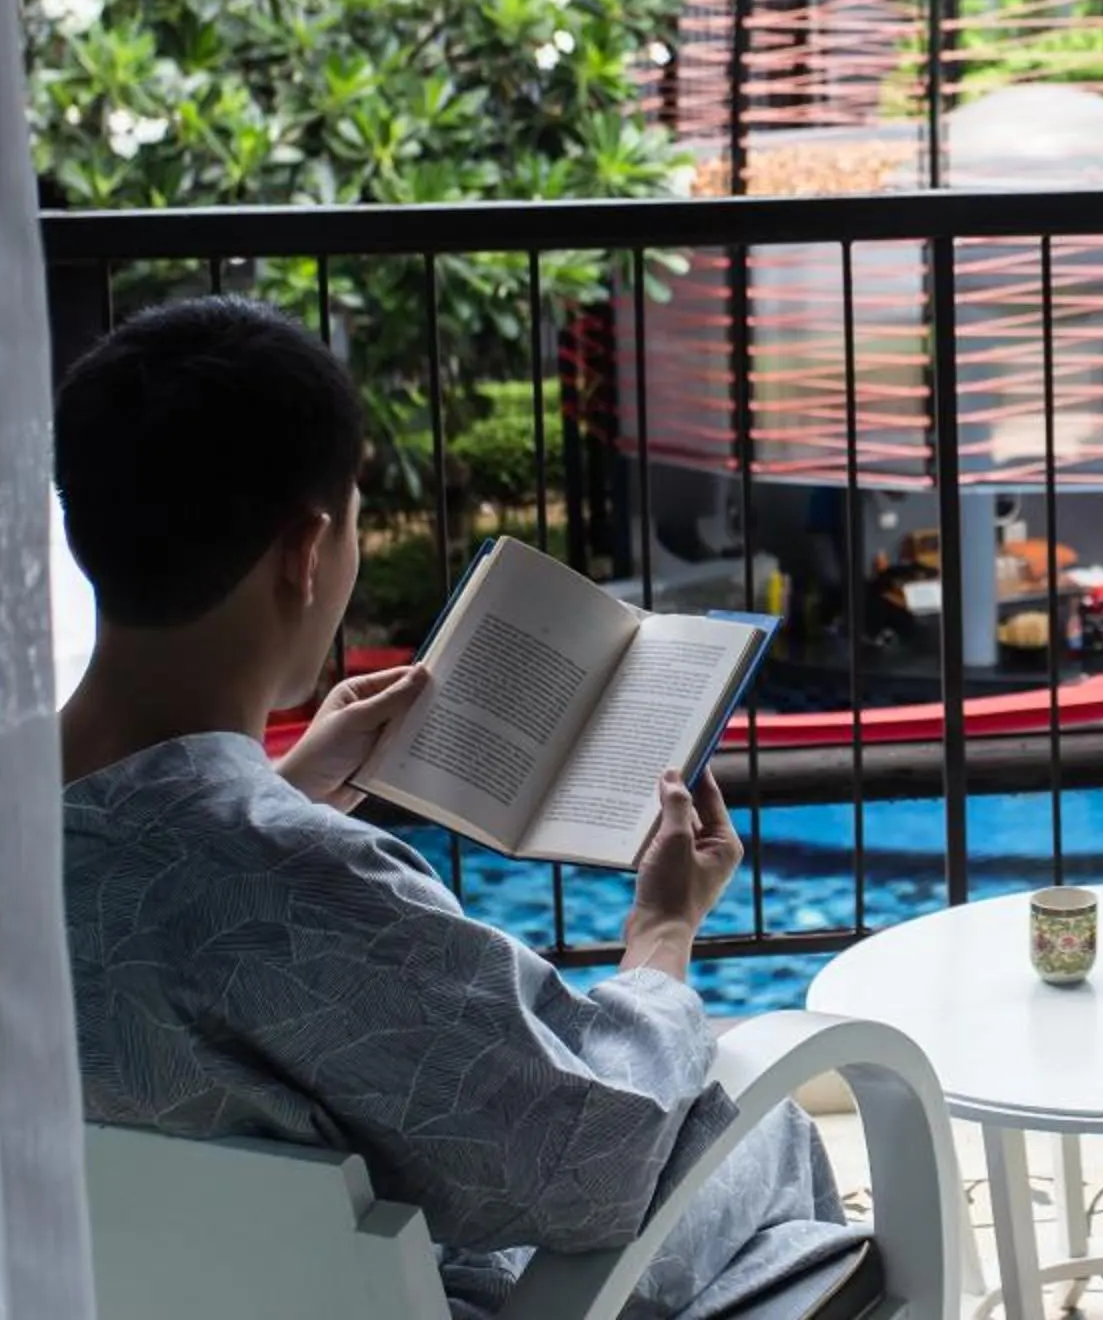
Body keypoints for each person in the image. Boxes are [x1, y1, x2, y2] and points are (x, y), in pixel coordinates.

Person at [54, 296, 859, 1320]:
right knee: (760, 1128)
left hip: (120, 1286)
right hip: (417, 1296)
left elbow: (149, 894)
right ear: (307, 551)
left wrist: (283, 785)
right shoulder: (308, 883)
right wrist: (663, 931)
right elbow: (593, 1163)